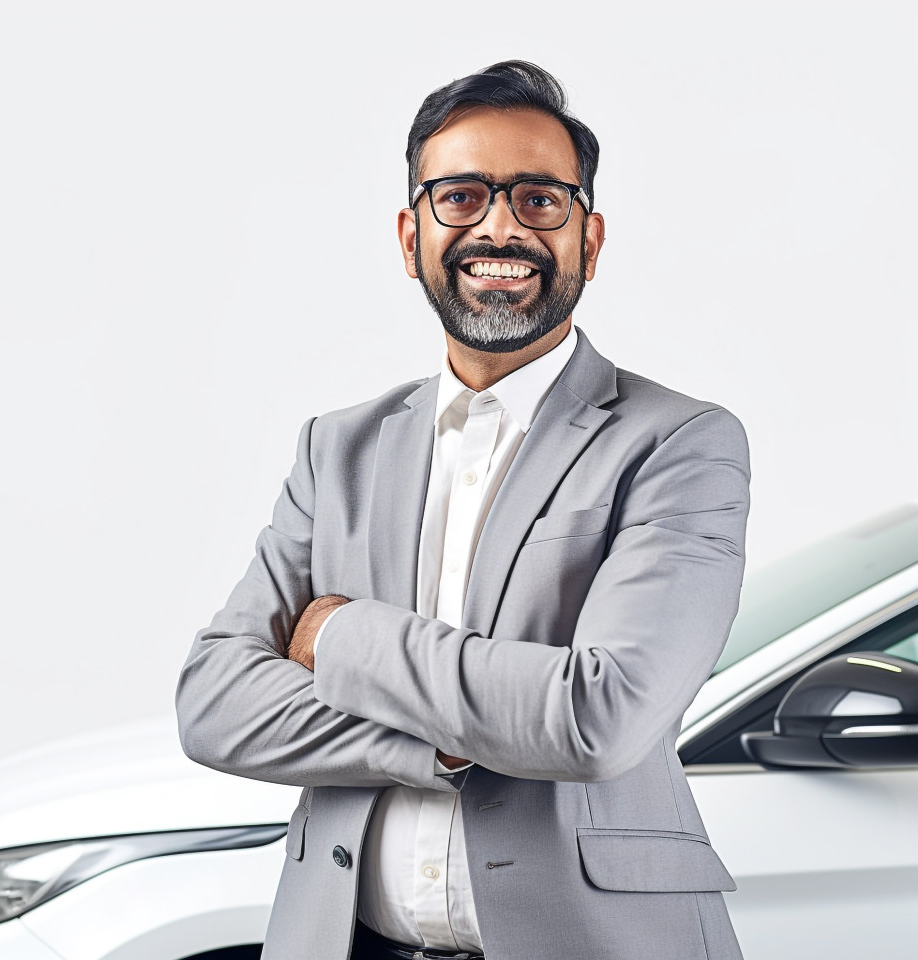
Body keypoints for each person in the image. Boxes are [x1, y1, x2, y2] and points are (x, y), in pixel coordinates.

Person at [176, 60, 749, 960]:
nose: (499, 226)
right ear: (411, 237)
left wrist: (342, 636)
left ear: (588, 240)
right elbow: (214, 704)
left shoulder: (678, 443)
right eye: (462, 196)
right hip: (345, 941)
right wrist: (437, 751)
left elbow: (597, 717)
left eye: (538, 200)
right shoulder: (338, 449)